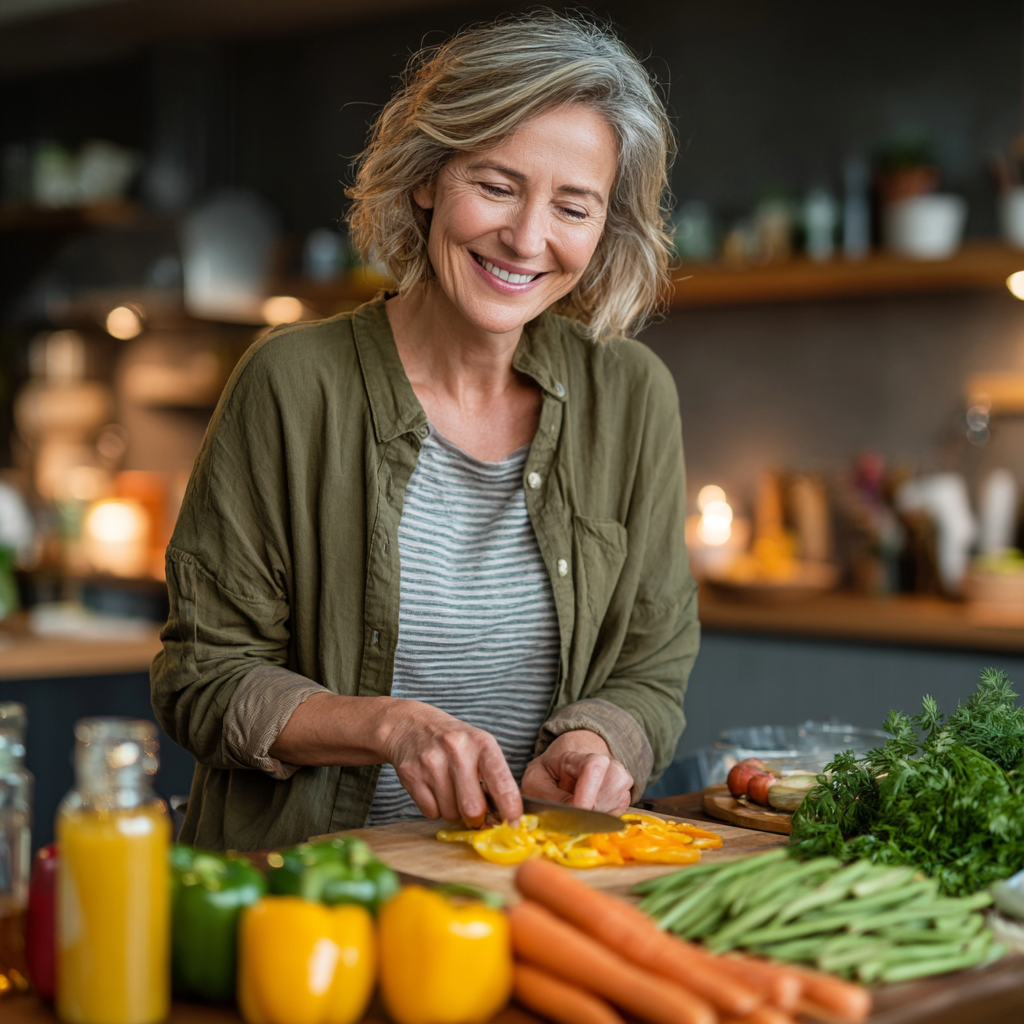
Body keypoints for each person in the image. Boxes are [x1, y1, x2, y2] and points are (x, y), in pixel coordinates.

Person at [151, 12, 700, 851]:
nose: (526, 238)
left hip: (540, 894)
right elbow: (202, 676)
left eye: (573, 206)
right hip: (309, 901)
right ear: (426, 178)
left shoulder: (632, 397)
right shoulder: (294, 383)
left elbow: (651, 667)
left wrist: (598, 739)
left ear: (604, 228)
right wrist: (390, 728)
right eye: (496, 184)